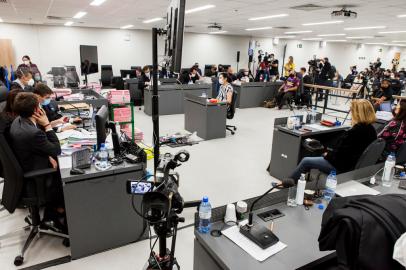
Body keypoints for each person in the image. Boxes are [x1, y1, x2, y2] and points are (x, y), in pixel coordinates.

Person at [10, 92, 67, 231]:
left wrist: (47, 155)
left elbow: (33, 145)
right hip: (37, 176)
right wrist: (47, 125)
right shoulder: (34, 133)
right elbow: (56, 150)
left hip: (28, 165)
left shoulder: (18, 121)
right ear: (36, 110)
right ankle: (57, 212)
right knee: (67, 170)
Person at [290, 99, 377, 180]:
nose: (351, 114)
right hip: (354, 165)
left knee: (306, 161)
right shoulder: (371, 130)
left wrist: (327, 155)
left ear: (358, 113)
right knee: (321, 156)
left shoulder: (355, 131)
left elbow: (341, 155)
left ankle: (287, 185)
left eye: (352, 111)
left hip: (343, 167)